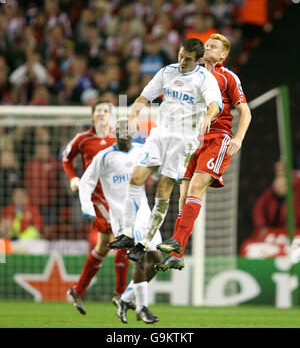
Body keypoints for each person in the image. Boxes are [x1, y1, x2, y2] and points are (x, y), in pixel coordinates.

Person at [108, 37, 223, 263]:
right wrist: (132, 115)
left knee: (163, 190)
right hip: (160, 133)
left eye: (188, 59)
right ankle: (128, 234)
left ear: (198, 61)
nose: (182, 62)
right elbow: (144, 96)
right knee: (136, 178)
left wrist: (208, 117)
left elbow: (215, 104)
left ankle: (143, 243)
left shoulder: (204, 78)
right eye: (180, 56)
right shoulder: (167, 71)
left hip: (183, 140)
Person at [155, 33, 252, 271]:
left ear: (223, 55)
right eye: (207, 44)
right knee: (184, 194)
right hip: (190, 140)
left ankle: (177, 241)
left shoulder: (227, 77)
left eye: (214, 46)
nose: (208, 47)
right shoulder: (189, 73)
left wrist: (238, 138)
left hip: (217, 138)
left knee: (196, 187)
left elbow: (246, 112)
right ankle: (177, 254)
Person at [79, 118, 162, 324]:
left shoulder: (142, 150)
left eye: (128, 130)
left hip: (144, 212)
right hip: (123, 219)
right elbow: (86, 182)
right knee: (140, 258)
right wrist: (87, 208)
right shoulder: (104, 156)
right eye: (121, 130)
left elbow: (158, 172)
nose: (125, 134)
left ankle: (125, 298)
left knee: (158, 261)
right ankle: (142, 307)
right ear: (115, 133)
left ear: (133, 132)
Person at [62, 101, 129, 314]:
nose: (102, 115)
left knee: (103, 246)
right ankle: (121, 294)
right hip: (97, 199)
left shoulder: (117, 140)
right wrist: (73, 178)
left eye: (106, 111)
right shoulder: (82, 139)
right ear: (92, 116)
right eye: (98, 111)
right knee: (123, 238)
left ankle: (79, 290)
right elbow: (66, 159)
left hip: (117, 197)